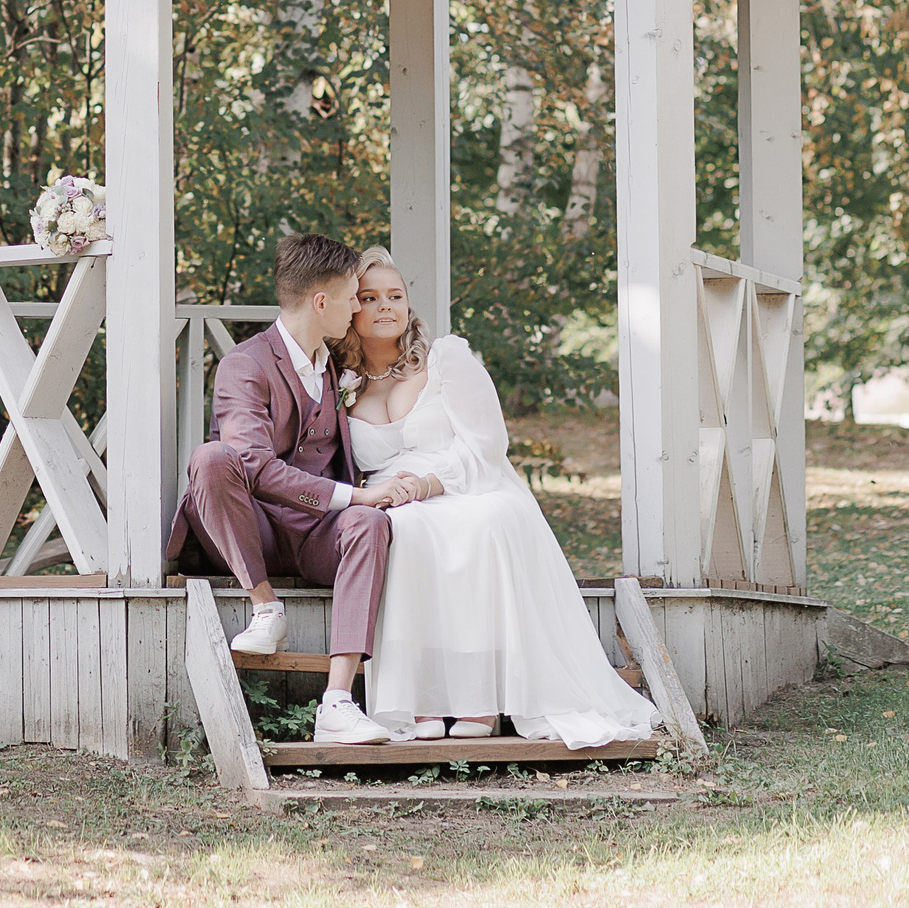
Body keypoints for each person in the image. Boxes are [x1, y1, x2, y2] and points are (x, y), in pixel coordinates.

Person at [337, 248, 661, 746]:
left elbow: (488, 445)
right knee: (405, 530)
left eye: (396, 296)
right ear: (349, 308)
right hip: (392, 498)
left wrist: (427, 483)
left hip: (467, 482)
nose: (386, 306)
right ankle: (420, 698)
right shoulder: (341, 383)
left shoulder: (447, 357)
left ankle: (477, 701)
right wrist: (379, 493)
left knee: (482, 522)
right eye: (370, 297)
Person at [165, 232, 422, 746]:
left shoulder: (338, 367)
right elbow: (254, 466)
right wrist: (354, 495)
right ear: (322, 302)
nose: (359, 307)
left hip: (317, 536)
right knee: (213, 458)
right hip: (252, 531)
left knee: (371, 522)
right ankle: (266, 607)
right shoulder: (246, 363)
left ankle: (338, 703)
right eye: (354, 297)